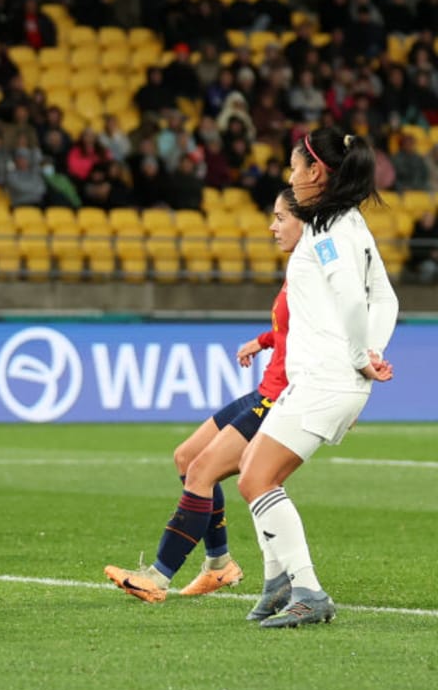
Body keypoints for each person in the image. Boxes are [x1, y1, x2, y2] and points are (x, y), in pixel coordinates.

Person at [104, 189, 301, 603]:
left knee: (201, 472)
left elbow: (325, 335)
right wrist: (264, 340)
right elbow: (292, 329)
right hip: (264, 389)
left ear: (305, 222)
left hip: (282, 397)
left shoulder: (315, 270)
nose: (272, 226)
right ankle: (219, 565)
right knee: (186, 457)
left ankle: (158, 577)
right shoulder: (299, 267)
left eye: (281, 217)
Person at [237, 129, 399, 628]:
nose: (289, 176)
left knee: (256, 478)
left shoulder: (328, 231)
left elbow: (354, 298)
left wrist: (357, 356)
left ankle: (307, 589)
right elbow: (386, 298)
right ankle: (277, 581)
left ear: (316, 172)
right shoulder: (350, 224)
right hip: (327, 377)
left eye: (293, 167)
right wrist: (372, 352)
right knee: (253, 466)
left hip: (327, 377)